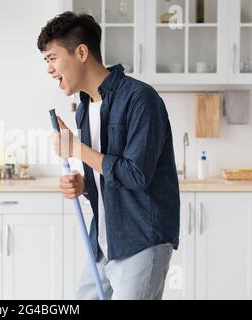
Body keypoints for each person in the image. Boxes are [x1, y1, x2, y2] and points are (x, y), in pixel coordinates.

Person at [38, 12, 180, 300]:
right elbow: (108, 180)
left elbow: (136, 175)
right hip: (105, 241)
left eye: (52, 58)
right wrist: (84, 186)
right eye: (46, 61)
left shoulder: (141, 99)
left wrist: (76, 149)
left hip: (141, 241)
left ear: (80, 52)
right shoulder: (85, 107)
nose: (49, 70)